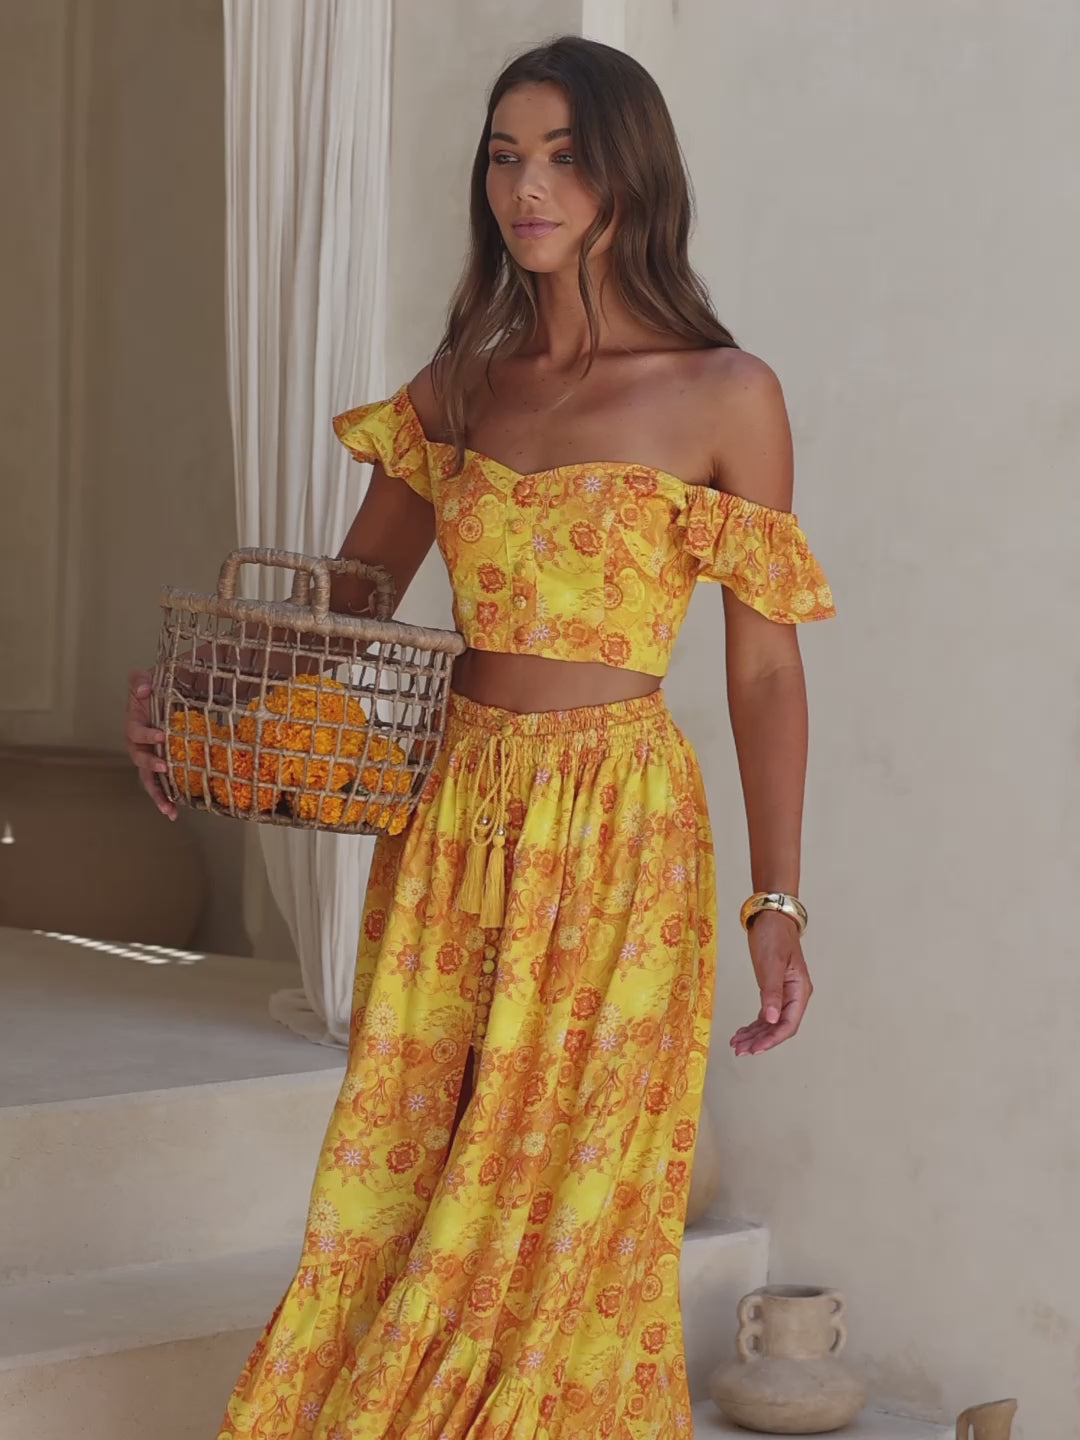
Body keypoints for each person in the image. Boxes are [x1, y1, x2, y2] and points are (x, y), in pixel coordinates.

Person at [126, 35, 834, 1440]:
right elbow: (350, 603)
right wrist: (198, 694)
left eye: (563, 154)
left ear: (631, 168)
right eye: (506, 155)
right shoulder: (465, 384)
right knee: (413, 1163)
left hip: (622, 835)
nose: (529, 185)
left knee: (570, 1197)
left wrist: (777, 898)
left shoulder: (724, 392)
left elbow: (764, 674)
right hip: (454, 816)